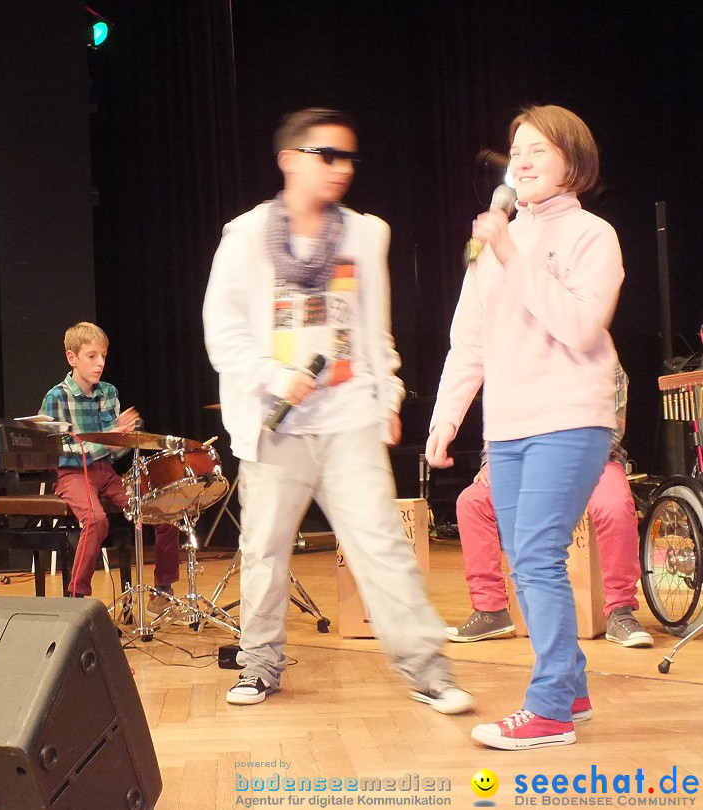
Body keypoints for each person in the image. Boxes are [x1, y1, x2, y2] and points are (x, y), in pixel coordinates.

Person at [203, 107, 472, 713]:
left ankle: (430, 671)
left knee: (382, 546)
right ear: (289, 159)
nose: (341, 167)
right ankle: (260, 664)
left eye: (348, 156)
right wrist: (277, 378)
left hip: (348, 419)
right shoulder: (245, 236)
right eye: (327, 154)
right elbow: (222, 331)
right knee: (265, 552)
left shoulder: (366, 235)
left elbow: (376, 331)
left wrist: (387, 396)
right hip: (275, 424)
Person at [426, 105, 624, 750]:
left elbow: (580, 328)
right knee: (524, 558)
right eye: (516, 150)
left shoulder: (593, 235)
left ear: (573, 160)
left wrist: (512, 253)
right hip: (506, 427)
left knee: (538, 556)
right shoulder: (494, 243)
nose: (522, 160)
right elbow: (468, 341)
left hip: (569, 417)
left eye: (539, 149)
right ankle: (572, 686)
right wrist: (446, 417)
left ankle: (549, 710)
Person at [447, 363, 653, 648]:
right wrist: (491, 460)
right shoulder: (516, 359)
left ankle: (620, 611)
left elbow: (610, 430)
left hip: (592, 460)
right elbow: (499, 420)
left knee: (615, 505)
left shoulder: (603, 361)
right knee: (472, 502)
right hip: (524, 463)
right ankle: (490, 610)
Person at [40, 322, 181, 604]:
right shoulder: (57, 397)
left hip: (106, 471)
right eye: (92, 356)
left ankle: (162, 591)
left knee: (165, 511)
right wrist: (108, 441)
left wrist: (123, 437)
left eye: (103, 356)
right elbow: (56, 450)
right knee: (96, 520)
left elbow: (115, 452)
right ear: (72, 358)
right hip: (72, 474)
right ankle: (77, 596)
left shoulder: (108, 392)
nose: (100, 363)